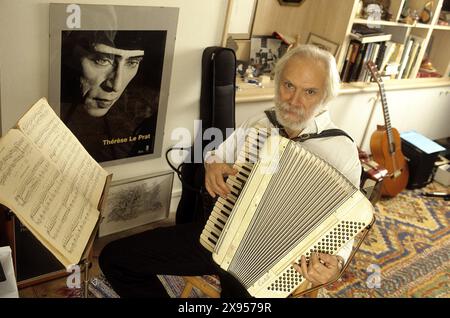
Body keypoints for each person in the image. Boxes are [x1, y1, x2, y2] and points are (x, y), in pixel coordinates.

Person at [98, 44, 361, 297]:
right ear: (278, 81)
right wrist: (212, 164)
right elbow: (219, 154)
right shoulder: (261, 123)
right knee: (115, 259)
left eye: (310, 92)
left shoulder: (339, 149)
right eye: (288, 85)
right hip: (220, 235)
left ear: (325, 96)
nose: (294, 100)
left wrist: (336, 263)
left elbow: (346, 223)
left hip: (273, 262)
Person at [60, 30, 164, 162]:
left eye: (132, 63)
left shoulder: (130, 123)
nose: (116, 86)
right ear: (69, 56)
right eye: (101, 60)